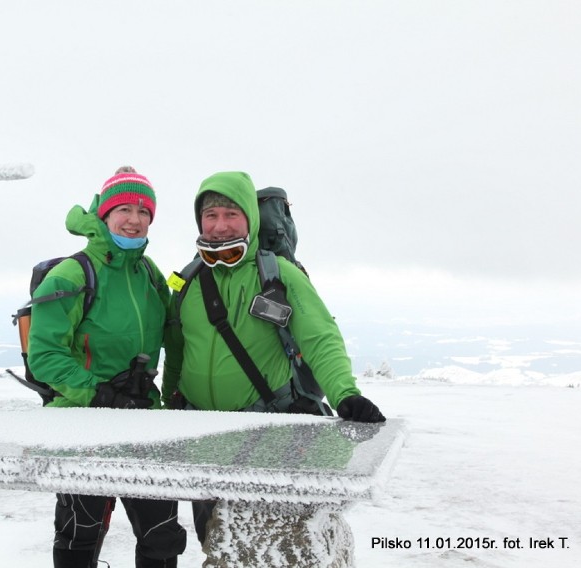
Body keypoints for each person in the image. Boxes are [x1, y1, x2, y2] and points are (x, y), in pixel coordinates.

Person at [162, 170, 385, 544]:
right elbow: (177, 351)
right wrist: (169, 404)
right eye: (211, 215)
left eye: (231, 215)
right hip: (203, 441)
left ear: (249, 217)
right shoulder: (186, 281)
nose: (219, 226)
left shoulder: (276, 274)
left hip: (267, 437)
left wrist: (345, 393)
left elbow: (319, 336)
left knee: (271, 544)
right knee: (214, 541)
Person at [28, 167, 187, 568]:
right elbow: (44, 356)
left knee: (162, 536)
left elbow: (178, 333)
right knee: (81, 533)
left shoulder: (151, 275)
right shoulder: (73, 274)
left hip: (142, 419)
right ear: (104, 214)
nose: (134, 220)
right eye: (123, 209)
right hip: (83, 422)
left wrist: (174, 397)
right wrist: (97, 392)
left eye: (143, 211)